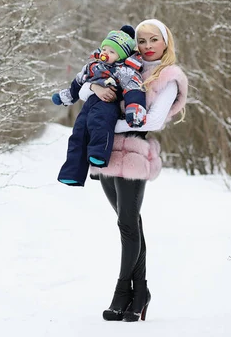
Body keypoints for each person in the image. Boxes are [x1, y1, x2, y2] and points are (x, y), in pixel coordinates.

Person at [77, 18, 188, 322]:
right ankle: (141, 292)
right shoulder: (125, 66)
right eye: (142, 41)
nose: (148, 46)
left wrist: (105, 126)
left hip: (135, 154)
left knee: (127, 225)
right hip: (105, 154)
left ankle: (121, 292)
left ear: (166, 42)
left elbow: (151, 121)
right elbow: (85, 92)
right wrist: (96, 88)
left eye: (154, 40)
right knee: (131, 225)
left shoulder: (168, 77)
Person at [51, 28, 147, 187]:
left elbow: (134, 90)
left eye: (112, 51)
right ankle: (72, 172)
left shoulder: (125, 70)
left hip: (108, 104)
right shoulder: (92, 66)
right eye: (104, 49)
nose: (106, 53)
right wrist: (66, 96)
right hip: (89, 104)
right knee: (78, 132)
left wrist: (135, 109)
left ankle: (99, 154)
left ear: (122, 55)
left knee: (99, 124)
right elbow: (77, 83)